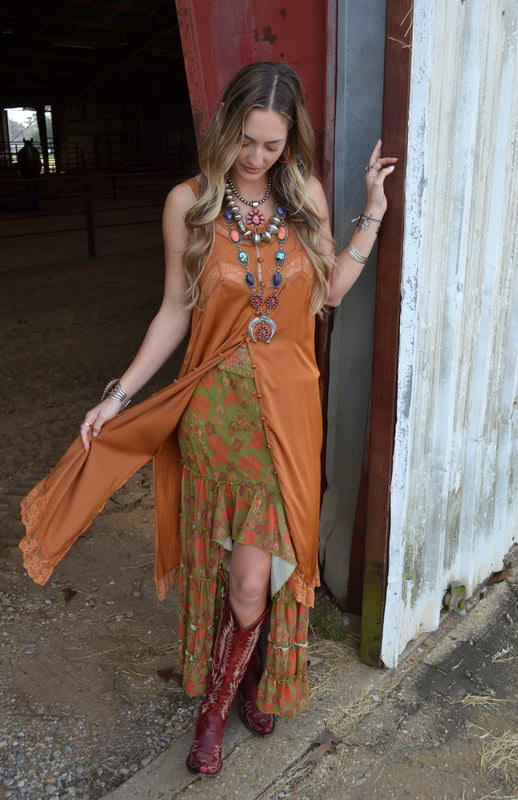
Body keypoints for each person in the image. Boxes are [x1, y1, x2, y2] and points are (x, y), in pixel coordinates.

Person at [19, 62, 396, 777]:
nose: (256, 157)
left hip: (290, 411)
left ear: (290, 141)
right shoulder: (188, 203)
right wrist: (118, 395)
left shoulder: (305, 195)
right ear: (225, 126)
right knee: (232, 570)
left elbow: (330, 292)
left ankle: (223, 700)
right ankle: (230, 697)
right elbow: (175, 309)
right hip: (216, 414)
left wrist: (371, 212)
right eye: (246, 141)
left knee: (257, 577)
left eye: (272, 145)